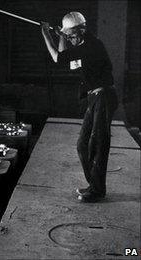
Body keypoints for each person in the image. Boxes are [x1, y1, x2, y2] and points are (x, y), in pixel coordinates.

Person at [40, 12, 118, 202]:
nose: (71, 39)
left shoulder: (92, 46)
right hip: (95, 98)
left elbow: (58, 58)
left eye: (72, 36)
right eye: (69, 36)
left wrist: (45, 34)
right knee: (83, 145)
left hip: (104, 97)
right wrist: (61, 36)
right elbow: (69, 62)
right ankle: (94, 186)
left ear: (81, 31)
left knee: (98, 145)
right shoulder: (83, 45)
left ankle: (97, 191)